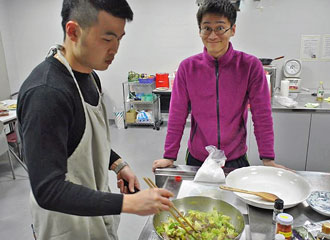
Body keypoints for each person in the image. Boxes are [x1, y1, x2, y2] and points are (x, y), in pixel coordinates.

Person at [17, 1, 173, 239]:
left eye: (120, 39)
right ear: (73, 31)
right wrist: (127, 203)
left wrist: (118, 164)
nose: (115, 49)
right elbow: (47, 190)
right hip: (65, 225)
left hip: (94, 210)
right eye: (107, 39)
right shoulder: (46, 93)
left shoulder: (90, 77)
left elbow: (87, 138)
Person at [152, 0, 288, 172]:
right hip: (197, 158)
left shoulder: (250, 66)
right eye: (206, 28)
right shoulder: (188, 68)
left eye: (220, 27)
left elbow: (262, 114)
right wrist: (169, 156)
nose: (213, 35)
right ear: (199, 30)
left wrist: (268, 158)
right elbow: (177, 115)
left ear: (233, 30)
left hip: (234, 158)